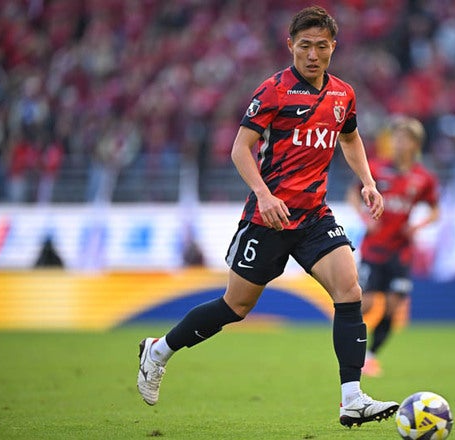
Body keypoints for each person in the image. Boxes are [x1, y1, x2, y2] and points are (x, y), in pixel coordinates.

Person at [137, 6, 399, 428]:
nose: (312, 54)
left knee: (349, 290)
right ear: (290, 45)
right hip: (268, 218)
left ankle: (352, 398)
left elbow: (350, 139)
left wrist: (368, 181)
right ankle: (158, 350)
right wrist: (263, 194)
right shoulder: (274, 91)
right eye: (305, 45)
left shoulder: (343, 94)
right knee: (236, 306)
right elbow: (240, 148)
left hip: (313, 216)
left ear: (333, 47)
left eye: (321, 46)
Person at [347, 116, 440, 377]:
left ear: (415, 145)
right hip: (374, 248)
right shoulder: (376, 169)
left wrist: (417, 227)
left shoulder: (423, 178)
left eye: (404, 139)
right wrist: (365, 217)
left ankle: (371, 357)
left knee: (392, 305)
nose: (398, 143)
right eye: (396, 138)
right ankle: (350, 348)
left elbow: (435, 211)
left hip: (401, 251)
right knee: (365, 304)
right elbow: (353, 193)